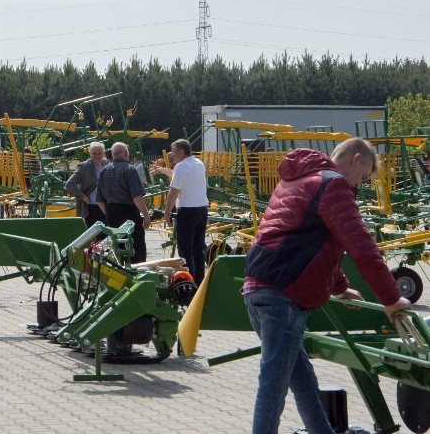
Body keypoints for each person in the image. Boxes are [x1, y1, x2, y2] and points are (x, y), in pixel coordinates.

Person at [242, 138, 411, 434]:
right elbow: (362, 248)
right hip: (283, 293)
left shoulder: (300, 179)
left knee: (302, 379)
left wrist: (340, 287)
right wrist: (392, 299)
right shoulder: (333, 185)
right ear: (355, 159)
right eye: (363, 176)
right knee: (273, 387)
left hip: (260, 288)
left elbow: (310, 243)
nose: (360, 185)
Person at [155, 139, 209, 285]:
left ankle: (187, 282)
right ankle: (198, 281)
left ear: (180, 151)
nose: (172, 155)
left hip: (187, 211)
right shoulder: (198, 164)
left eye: (173, 152)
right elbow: (182, 177)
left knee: (185, 250)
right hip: (202, 210)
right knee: (198, 248)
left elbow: (174, 191)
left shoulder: (181, 166)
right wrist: (164, 171)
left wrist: (166, 212)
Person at [96, 142, 151, 262]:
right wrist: (146, 216)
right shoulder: (130, 169)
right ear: (126, 153)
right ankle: (137, 270)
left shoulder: (104, 171)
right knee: (137, 245)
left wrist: (109, 214)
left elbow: (99, 200)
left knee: (116, 246)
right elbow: (137, 196)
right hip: (129, 212)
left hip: (111, 212)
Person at [65, 141, 108, 226]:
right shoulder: (84, 167)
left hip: (107, 206)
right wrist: (83, 197)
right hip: (93, 207)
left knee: (108, 235)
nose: (96, 156)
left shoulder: (107, 164)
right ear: (90, 153)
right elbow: (70, 184)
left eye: (99, 153)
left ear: (103, 153)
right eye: (94, 153)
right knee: (95, 236)